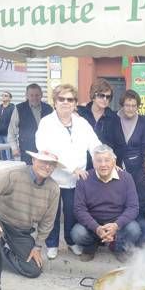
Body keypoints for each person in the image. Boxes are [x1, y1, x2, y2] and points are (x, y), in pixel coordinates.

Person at [0, 150, 60, 290]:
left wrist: (37, 246)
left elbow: (48, 221)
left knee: (33, 270)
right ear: (33, 159)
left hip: (22, 229)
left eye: (51, 164)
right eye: (43, 161)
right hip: (0, 220)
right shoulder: (12, 174)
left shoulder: (53, 188)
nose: (47, 166)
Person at [35, 84, 101, 260]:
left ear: (75, 103)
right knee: (52, 214)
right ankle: (51, 244)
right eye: (61, 99)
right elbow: (45, 150)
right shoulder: (46, 123)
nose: (65, 102)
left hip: (76, 180)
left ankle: (71, 242)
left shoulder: (81, 123)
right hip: (54, 177)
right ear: (54, 102)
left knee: (72, 212)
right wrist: (73, 167)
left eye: (70, 99)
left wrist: (107, 158)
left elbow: (94, 144)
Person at [71, 144, 141, 263]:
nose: (103, 164)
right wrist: (97, 228)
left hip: (117, 223)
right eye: (99, 161)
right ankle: (91, 246)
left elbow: (133, 207)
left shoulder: (126, 178)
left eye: (107, 160)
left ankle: (118, 247)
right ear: (93, 163)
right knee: (77, 233)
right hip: (94, 224)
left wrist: (116, 225)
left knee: (134, 229)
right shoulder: (84, 179)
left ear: (114, 162)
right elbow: (79, 209)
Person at [77, 78, 126, 168]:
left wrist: (113, 166)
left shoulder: (114, 118)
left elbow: (120, 146)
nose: (105, 99)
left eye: (108, 97)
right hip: (83, 167)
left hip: (105, 167)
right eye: (101, 95)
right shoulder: (80, 113)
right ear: (93, 96)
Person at [8, 84, 53, 164]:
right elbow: (11, 130)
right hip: (26, 151)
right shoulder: (19, 108)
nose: (34, 98)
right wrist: (14, 148)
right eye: (31, 95)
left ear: (41, 95)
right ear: (27, 96)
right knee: (27, 175)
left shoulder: (49, 108)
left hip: (46, 151)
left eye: (37, 95)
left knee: (45, 174)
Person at [117, 89, 145, 176]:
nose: (130, 109)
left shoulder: (143, 122)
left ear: (137, 106)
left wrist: (144, 170)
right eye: (127, 105)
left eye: (134, 106)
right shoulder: (114, 119)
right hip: (115, 167)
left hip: (137, 169)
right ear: (122, 105)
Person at [0, 91, 14, 160]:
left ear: (10, 98)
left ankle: (11, 167)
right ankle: (3, 167)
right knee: (1, 153)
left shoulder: (13, 108)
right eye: (2, 95)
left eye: (6, 95)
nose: (3, 97)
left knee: (9, 153)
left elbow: (16, 121)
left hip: (8, 135)